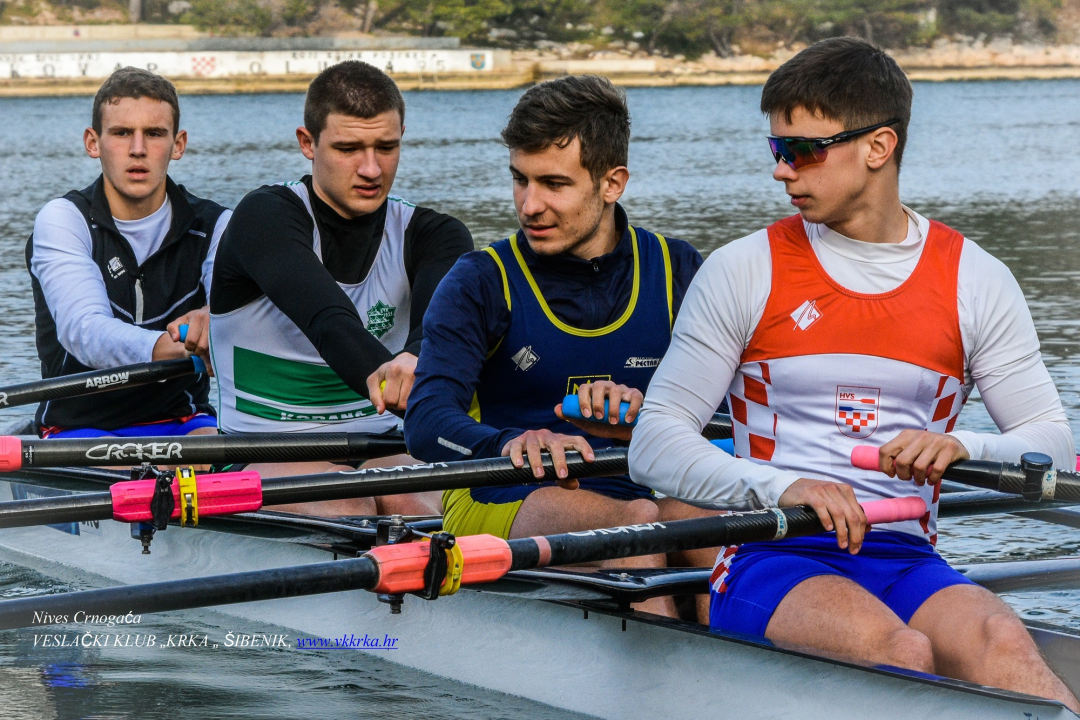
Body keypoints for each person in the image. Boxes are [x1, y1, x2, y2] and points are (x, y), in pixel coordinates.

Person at [628, 37, 1079, 707]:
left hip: (905, 557)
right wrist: (783, 487)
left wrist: (965, 446)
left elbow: (1056, 447)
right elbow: (655, 442)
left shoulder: (975, 280)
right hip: (772, 554)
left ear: (878, 147)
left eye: (802, 150)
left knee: (1006, 646)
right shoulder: (744, 270)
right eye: (775, 149)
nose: (782, 171)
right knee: (901, 649)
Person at [404, 75, 714, 619]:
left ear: (612, 183)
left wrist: (653, 417)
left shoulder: (680, 270)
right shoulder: (480, 280)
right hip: (500, 493)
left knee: (711, 524)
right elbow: (426, 423)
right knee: (636, 524)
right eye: (520, 180)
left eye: (553, 184)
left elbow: (737, 418)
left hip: (645, 486)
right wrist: (507, 444)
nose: (529, 205)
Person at [209, 61, 473, 517]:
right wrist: (412, 383)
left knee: (426, 504)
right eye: (349, 148)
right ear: (307, 144)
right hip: (263, 451)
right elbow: (330, 322)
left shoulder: (438, 235)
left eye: (386, 147)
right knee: (348, 503)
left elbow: (437, 335)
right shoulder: (263, 218)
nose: (371, 168)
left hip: (382, 443)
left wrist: (421, 358)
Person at [27, 67, 228, 439]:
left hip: (186, 423)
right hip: (80, 429)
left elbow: (237, 319)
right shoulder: (63, 219)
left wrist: (216, 319)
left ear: (178, 144)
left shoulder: (218, 226)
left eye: (154, 134)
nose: (138, 149)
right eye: (121, 133)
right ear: (93, 142)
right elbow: (85, 330)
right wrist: (179, 342)